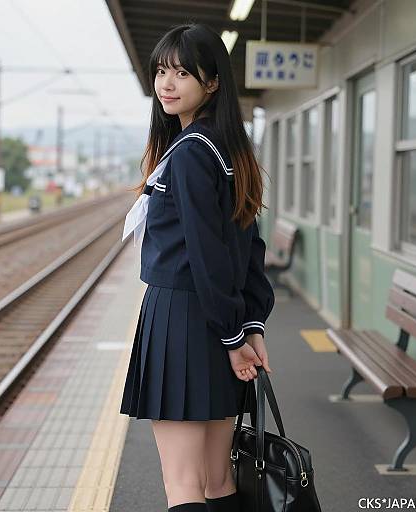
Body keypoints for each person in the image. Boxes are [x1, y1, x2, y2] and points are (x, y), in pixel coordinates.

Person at [119, 22, 275, 512]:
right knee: (218, 479)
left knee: (184, 485)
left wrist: (235, 338)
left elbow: (209, 253)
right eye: (162, 71)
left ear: (212, 83)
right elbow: (247, 247)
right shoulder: (230, 149)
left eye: (182, 73)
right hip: (218, 319)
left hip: (182, 319)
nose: (166, 83)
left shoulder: (188, 154)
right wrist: (248, 328)